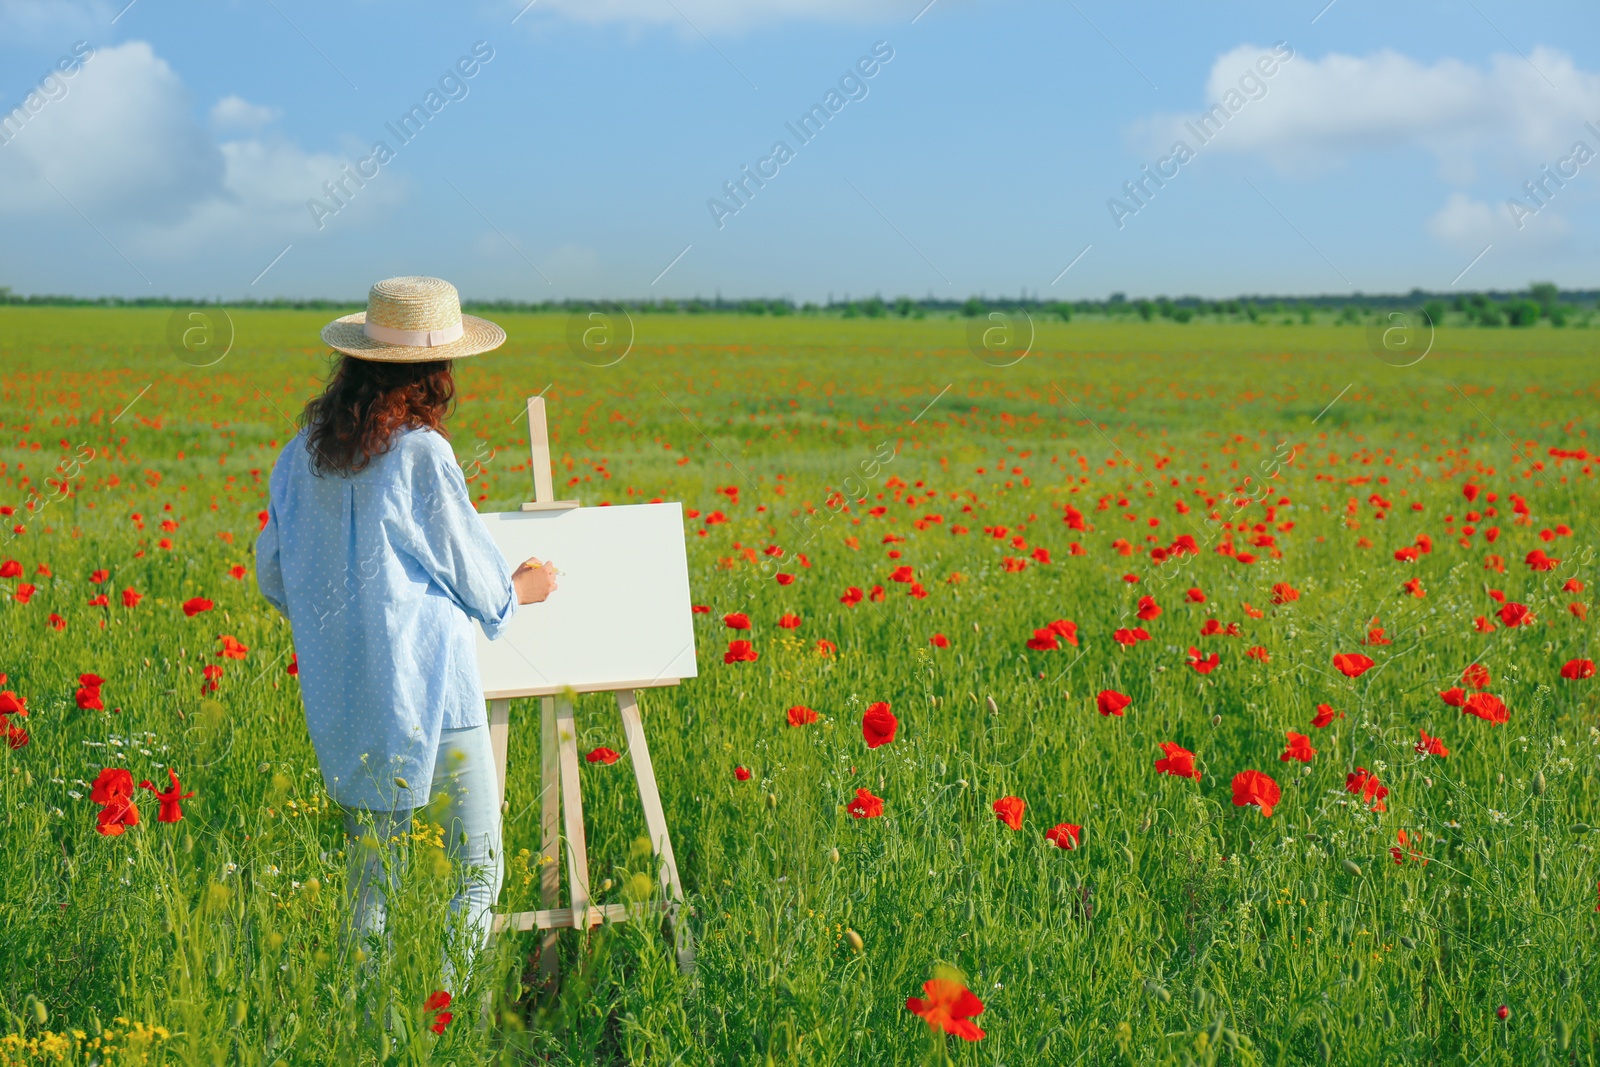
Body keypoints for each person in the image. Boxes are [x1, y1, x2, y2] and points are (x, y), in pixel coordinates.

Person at [255, 276, 555, 986]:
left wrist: (347, 621)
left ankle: (371, 1034)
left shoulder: (301, 456)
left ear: (354, 361)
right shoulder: (421, 453)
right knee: (478, 871)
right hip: (433, 694)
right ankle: (439, 1023)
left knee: (371, 883)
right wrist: (519, 591)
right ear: (437, 373)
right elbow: (473, 573)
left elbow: (273, 573)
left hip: (348, 696)